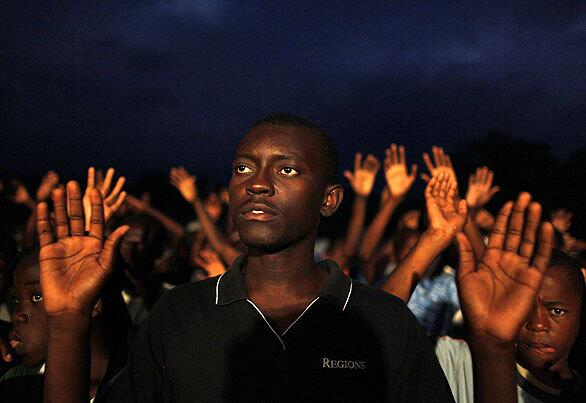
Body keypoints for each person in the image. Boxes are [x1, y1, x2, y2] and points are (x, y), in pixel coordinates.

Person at [37, 113, 454, 402]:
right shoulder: (179, 314)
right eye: (242, 168)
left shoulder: (382, 321)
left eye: (285, 170)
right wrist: (69, 321)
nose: (257, 184)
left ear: (328, 200)